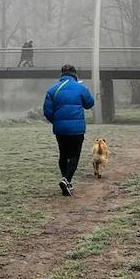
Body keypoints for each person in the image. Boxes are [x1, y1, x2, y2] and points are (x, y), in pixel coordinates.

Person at [42, 64, 95, 196]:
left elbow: (47, 111)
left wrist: (57, 121)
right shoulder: (81, 88)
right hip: (77, 129)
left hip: (60, 129)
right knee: (74, 155)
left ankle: (66, 183)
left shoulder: (52, 90)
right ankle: (67, 180)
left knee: (63, 155)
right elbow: (90, 104)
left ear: (62, 74)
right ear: (75, 74)